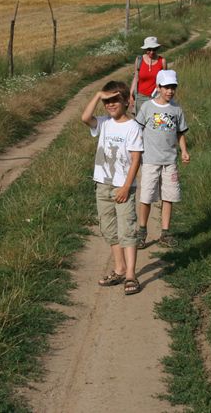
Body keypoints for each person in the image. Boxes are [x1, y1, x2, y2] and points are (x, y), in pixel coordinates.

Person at [81, 80, 144, 295]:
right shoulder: (104, 123)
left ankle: (131, 275)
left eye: (115, 99)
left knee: (127, 230)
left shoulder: (133, 127)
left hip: (122, 187)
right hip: (103, 185)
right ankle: (119, 269)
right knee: (109, 229)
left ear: (127, 101)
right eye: (107, 101)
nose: (110, 104)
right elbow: (85, 118)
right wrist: (99, 95)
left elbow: (136, 159)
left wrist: (126, 187)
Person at [135, 69, 190, 248]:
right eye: (166, 87)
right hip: (150, 160)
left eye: (173, 87)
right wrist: (135, 152)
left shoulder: (176, 109)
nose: (170, 91)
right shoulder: (147, 107)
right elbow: (137, 130)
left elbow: (180, 133)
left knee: (169, 196)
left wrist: (184, 151)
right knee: (146, 196)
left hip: (170, 161)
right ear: (158, 87)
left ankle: (165, 233)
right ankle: (141, 232)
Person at [129, 36, 167, 115]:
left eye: (154, 49)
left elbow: (165, 81)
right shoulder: (139, 60)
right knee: (140, 121)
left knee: (156, 121)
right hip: (140, 98)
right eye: (149, 49)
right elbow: (136, 78)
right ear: (145, 49)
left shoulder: (162, 61)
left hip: (157, 97)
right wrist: (131, 95)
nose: (152, 52)